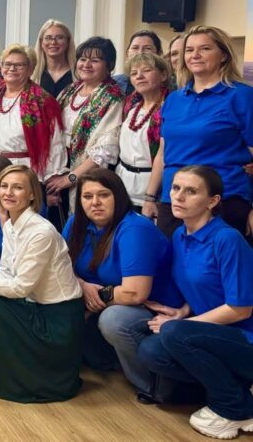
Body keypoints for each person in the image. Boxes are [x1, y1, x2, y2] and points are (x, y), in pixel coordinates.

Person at [0, 165, 84, 403]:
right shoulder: (11, 225)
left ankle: (23, 378)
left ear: (31, 195)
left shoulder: (41, 232)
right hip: (36, 306)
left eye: (17, 187)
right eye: (4, 186)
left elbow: (20, 287)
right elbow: (6, 275)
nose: (8, 192)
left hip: (57, 321)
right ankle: (1, 369)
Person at [138, 166, 253, 439]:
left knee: (172, 334)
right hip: (214, 335)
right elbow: (204, 287)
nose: (179, 196)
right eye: (175, 188)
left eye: (191, 191)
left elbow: (240, 308)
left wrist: (184, 325)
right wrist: (183, 311)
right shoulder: (180, 235)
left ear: (212, 201)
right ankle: (240, 390)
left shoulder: (227, 239)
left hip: (245, 337)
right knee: (151, 351)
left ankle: (235, 408)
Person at [62, 169, 183, 403]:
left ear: (118, 196)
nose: (95, 202)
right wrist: (83, 285)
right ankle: (104, 361)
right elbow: (61, 266)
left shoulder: (135, 228)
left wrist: (95, 298)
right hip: (108, 298)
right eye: (87, 196)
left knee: (113, 319)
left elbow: (135, 293)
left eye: (103, 195)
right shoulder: (76, 223)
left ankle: (154, 385)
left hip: (153, 309)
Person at [146, 25, 253, 238]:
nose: (195, 55)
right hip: (173, 201)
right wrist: (149, 198)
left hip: (222, 202)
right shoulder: (173, 100)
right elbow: (162, 154)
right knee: (168, 259)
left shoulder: (242, 96)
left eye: (205, 49)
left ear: (224, 55)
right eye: (189, 50)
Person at [47, 37, 124, 228]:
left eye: (95, 60)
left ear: (109, 65)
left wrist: (70, 178)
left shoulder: (112, 97)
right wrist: (53, 176)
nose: (86, 65)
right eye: (82, 59)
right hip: (58, 171)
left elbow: (105, 151)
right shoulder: (69, 91)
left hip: (89, 176)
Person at [0, 44, 67, 186]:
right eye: (7, 64)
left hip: (26, 172)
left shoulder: (43, 101)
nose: (12, 69)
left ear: (30, 70)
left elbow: (55, 143)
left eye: (19, 65)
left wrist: (52, 178)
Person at [117, 53, 169, 211]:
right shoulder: (130, 106)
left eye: (146, 70)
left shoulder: (169, 107)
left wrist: (150, 196)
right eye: (134, 73)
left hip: (152, 191)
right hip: (123, 187)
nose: (139, 76)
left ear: (163, 75)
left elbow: (164, 154)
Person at [32, 19, 76, 99]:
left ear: (68, 42)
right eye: (48, 38)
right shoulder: (32, 74)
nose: (53, 42)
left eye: (59, 37)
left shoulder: (78, 74)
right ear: (41, 42)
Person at [112, 30, 162, 96]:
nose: (140, 52)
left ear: (159, 53)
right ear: (127, 53)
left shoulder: (170, 85)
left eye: (147, 48)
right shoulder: (113, 83)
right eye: (135, 48)